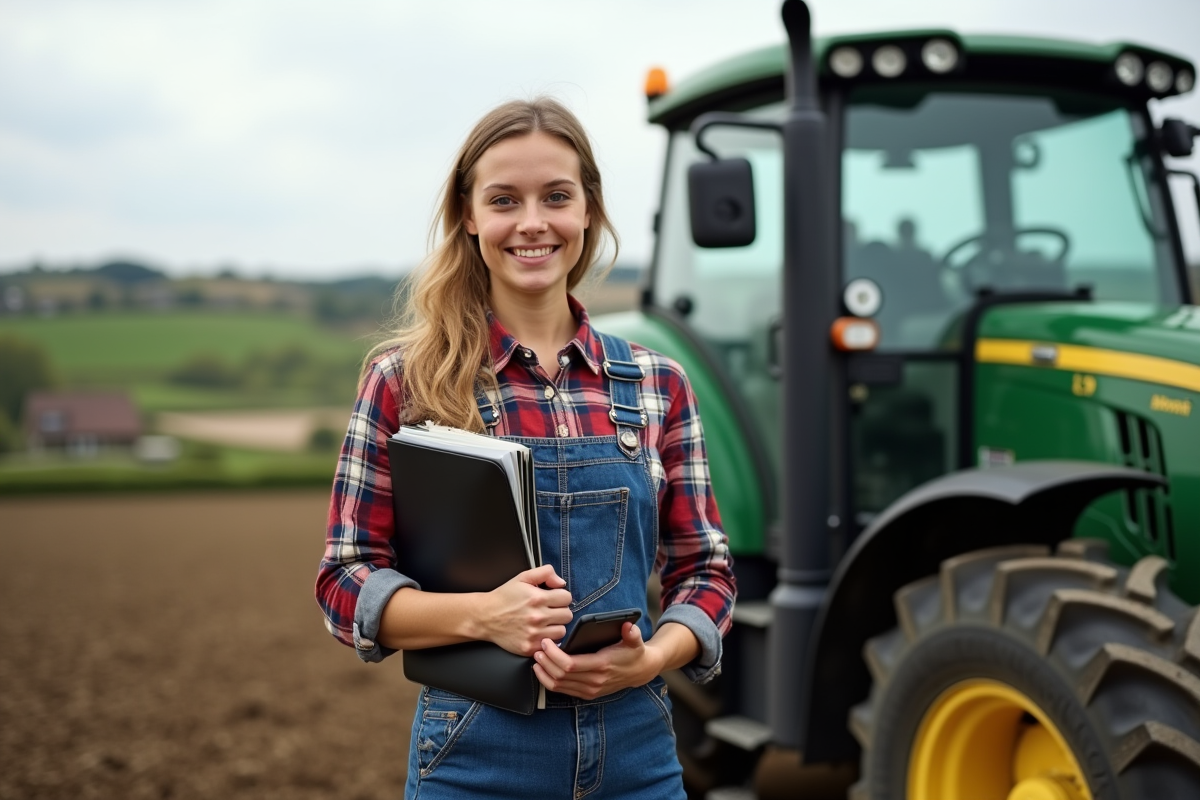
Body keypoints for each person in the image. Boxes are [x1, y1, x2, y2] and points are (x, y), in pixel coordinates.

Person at [315, 97, 736, 799]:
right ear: (470, 216)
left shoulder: (660, 383)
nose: (533, 222)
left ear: (589, 213)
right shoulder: (404, 381)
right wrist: (480, 616)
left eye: (556, 197)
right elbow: (343, 582)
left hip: (638, 757)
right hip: (476, 757)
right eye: (505, 199)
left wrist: (652, 657)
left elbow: (707, 571)